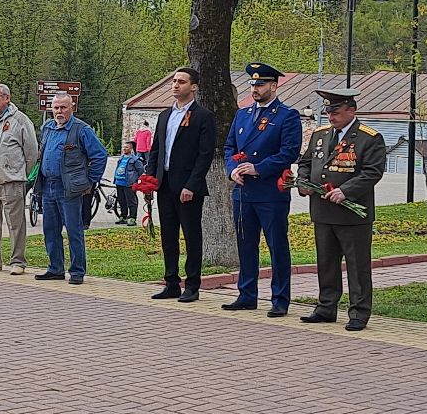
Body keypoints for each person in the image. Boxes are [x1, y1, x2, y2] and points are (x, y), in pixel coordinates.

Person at [297, 88, 388, 330]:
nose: (330, 116)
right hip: (322, 210)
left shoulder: (369, 137)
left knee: (357, 266)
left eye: (335, 111)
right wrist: (303, 183)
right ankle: (326, 307)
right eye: (328, 111)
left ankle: (359, 313)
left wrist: (346, 191)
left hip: (351, 212)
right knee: (326, 262)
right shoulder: (320, 134)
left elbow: (372, 172)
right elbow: (306, 163)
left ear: (351, 110)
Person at [222, 63, 304, 315]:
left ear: (273, 86)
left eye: (260, 85)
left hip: (270, 192)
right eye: (252, 85)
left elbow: (288, 152)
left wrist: (258, 168)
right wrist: (232, 170)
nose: (255, 89)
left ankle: (280, 298)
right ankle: (246, 294)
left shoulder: (286, 116)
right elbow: (229, 148)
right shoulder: (242, 114)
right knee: (246, 244)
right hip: (243, 192)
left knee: (276, 245)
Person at [146, 67, 217, 302]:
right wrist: (149, 179)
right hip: (165, 184)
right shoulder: (165, 115)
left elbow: (205, 154)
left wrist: (192, 185)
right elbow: (156, 149)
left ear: (194, 86)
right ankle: (171, 282)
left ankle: (193, 284)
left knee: (191, 235)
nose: (176, 85)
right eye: (174, 81)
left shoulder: (203, 116)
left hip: (187, 187)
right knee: (168, 235)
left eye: (182, 82)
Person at [33, 92, 107, 284]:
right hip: (48, 186)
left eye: (63, 107)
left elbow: (100, 155)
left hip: (69, 188)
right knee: (50, 230)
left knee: (74, 230)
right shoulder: (48, 127)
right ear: (51, 109)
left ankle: (77, 271)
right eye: (56, 107)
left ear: (72, 107)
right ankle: (55, 268)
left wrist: (90, 181)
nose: (59, 111)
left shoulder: (81, 130)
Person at [0, 83, 40, 273]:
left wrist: (19, 173)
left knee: (15, 224)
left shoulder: (19, 120)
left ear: (7, 98)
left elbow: (31, 152)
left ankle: (18, 262)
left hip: (11, 181)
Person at [113, 141, 143, 225]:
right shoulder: (121, 158)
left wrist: (135, 179)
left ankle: (132, 217)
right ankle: (123, 216)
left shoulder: (135, 159)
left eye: (127, 147)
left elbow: (140, 170)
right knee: (122, 201)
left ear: (131, 149)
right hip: (119, 182)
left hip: (129, 183)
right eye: (124, 147)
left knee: (131, 201)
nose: (124, 149)